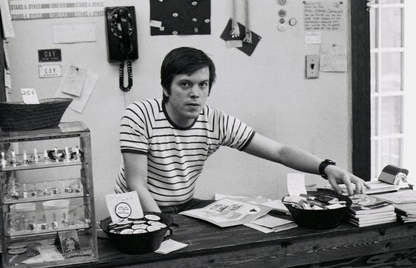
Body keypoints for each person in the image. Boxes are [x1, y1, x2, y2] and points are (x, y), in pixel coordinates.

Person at [115, 46, 369, 214]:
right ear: (166, 88)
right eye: (185, 84)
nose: (195, 93)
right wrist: (164, 229)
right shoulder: (140, 115)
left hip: (183, 205)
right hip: (136, 207)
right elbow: (136, 183)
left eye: (203, 85)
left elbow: (280, 151)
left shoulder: (215, 121)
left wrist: (326, 167)